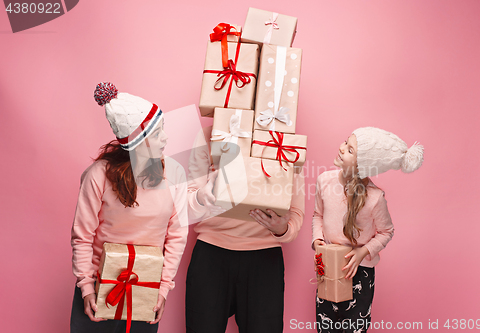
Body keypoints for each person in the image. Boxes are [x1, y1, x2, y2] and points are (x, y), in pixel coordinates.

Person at [70, 82, 188, 333]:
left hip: (146, 288)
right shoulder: (98, 175)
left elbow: (177, 235)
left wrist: (163, 289)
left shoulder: (175, 172)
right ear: (138, 142)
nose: (165, 138)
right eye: (157, 133)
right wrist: (86, 288)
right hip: (98, 287)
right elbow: (82, 235)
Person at [185, 126, 305, 333]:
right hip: (211, 254)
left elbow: (295, 212)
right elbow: (187, 203)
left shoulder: (283, 141)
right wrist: (200, 197)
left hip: (264, 259)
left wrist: (282, 228)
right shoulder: (211, 133)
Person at [312, 127, 424, 333]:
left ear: (363, 165)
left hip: (360, 274)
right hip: (328, 266)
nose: (342, 148)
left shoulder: (375, 198)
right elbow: (318, 215)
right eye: (346, 142)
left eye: (350, 150)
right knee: (326, 327)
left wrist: (363, 251)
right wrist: (317, 240)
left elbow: (386, 232)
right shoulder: (324, 181)